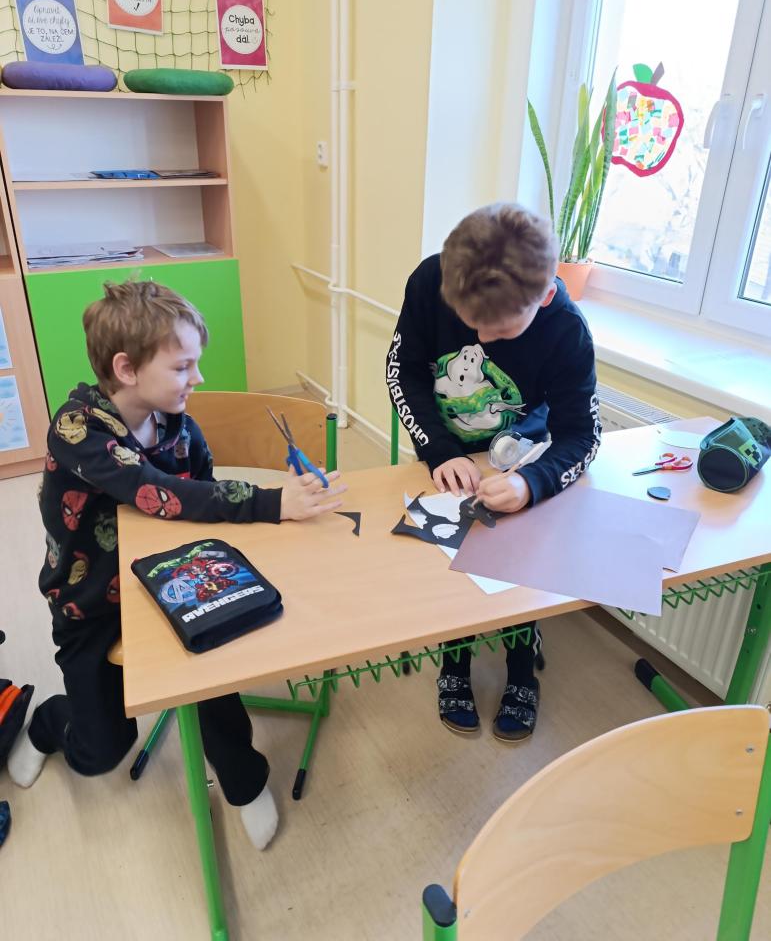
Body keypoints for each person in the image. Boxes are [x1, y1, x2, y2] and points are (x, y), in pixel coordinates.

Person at [8, 280, 346, 848]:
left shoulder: (179, 425)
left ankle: (243, 780)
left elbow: (204, 505)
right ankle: (46, 724)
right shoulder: (77, 428)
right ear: (126, 369)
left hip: (168, 583)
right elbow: (156, 492)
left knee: (211, 675)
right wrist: (271, 502)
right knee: (101, 752)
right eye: (184, 366)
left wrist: (277, 516)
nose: (199, 379)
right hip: (90, 605)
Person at [386, 202, 601, 741]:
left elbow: (582, 435)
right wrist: (438, 450)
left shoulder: (567, 330)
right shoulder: (431, 280)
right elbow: (402, 372)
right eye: (470, 322)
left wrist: (532, 482)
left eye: (500, 330)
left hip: (524, 453)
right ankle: (454, 658)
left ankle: (522, 664)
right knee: (452, 557)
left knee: (517, 559)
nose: (480, 340)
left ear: (543, 296)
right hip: (443, 449)